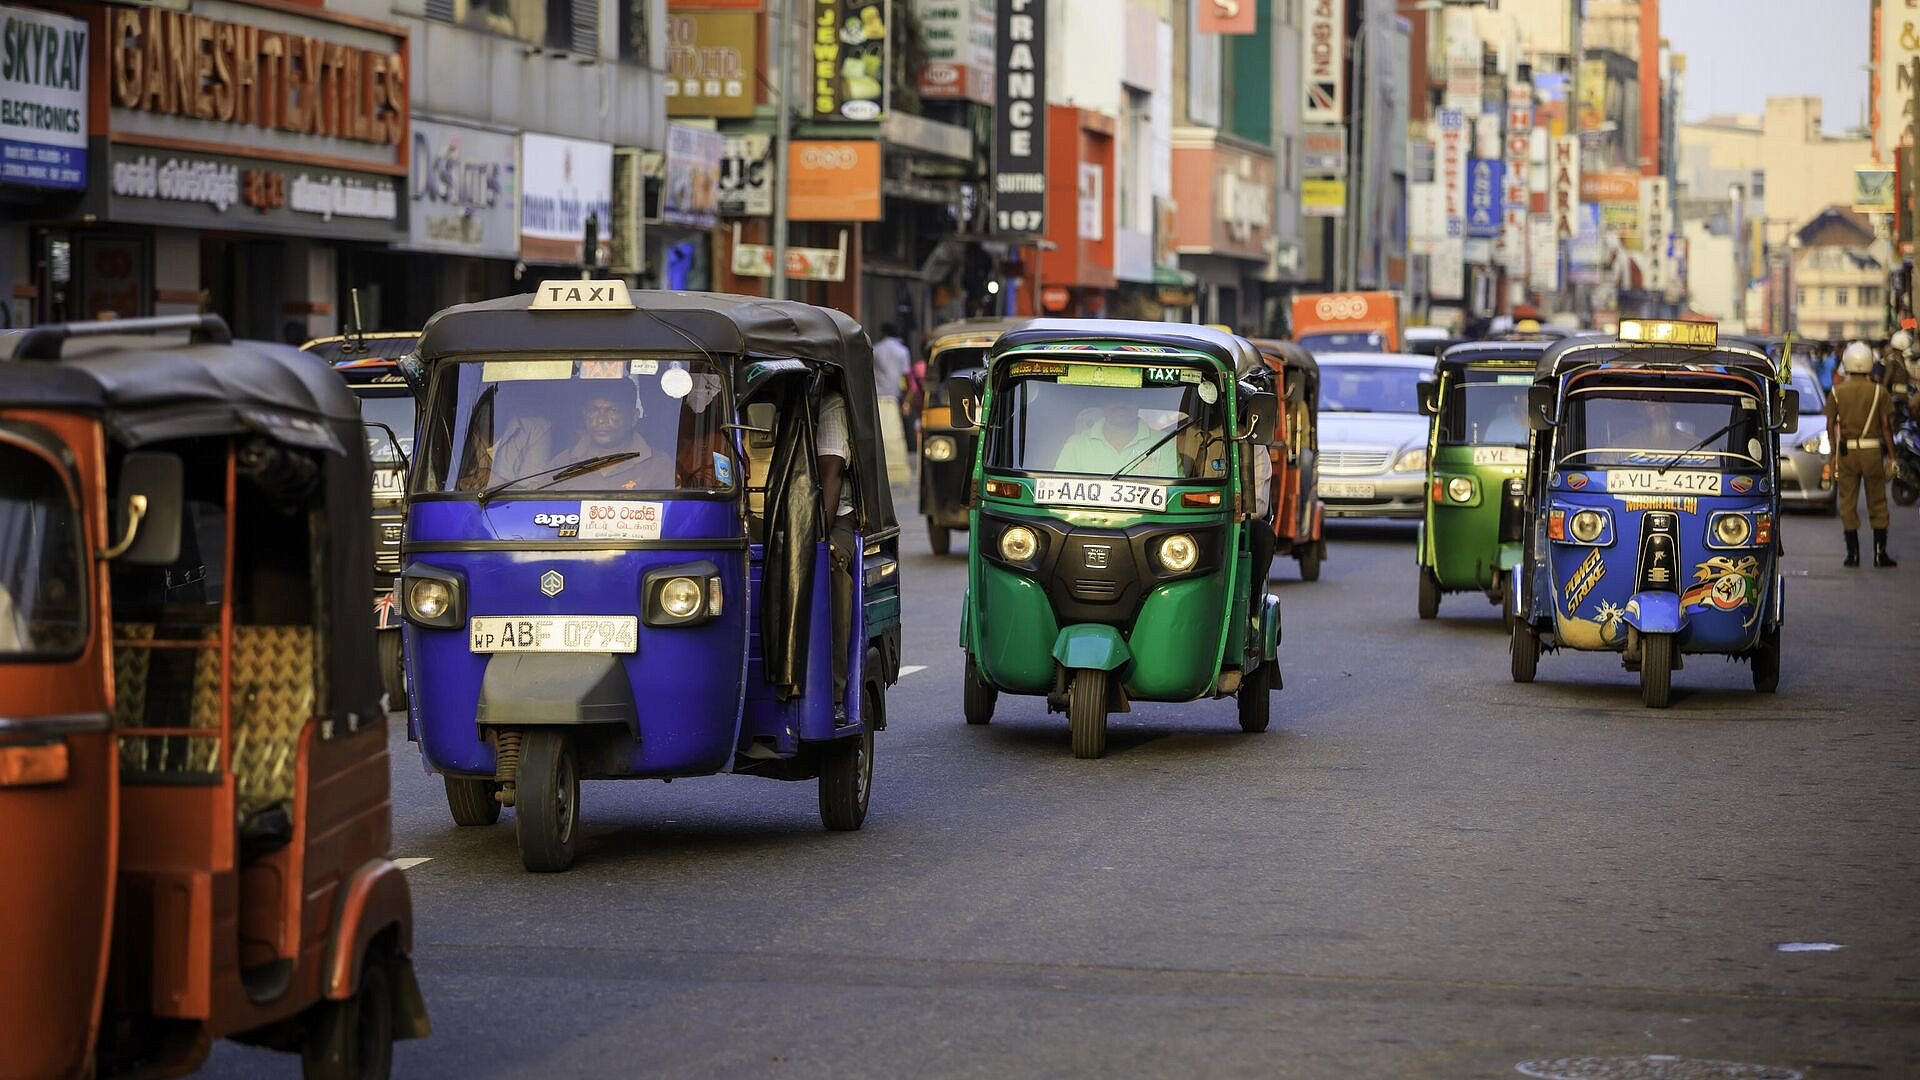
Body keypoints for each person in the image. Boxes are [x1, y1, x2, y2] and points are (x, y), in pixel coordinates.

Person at [1827, 341, 1898, 567]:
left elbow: (1830, 426)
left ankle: (1853, 555)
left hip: (1847, 453)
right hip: (1872, 452)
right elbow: (1886, 426)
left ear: (1847, 362)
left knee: (1848, 501)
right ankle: (1880, 554)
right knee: (1877, 499)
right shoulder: (1879, 391)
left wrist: (1833, 454)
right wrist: (1893, 456)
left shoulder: (1837, 392)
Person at [815, 386, 857, 718]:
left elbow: (831, 474)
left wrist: (817, 537)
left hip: (831, 518)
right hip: (762, 513)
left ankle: (833, 692)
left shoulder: (829, 403)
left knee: (825, 568)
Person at [546, 382, 674, 491]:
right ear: (585, 416)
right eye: (593, 410)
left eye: (613, 410)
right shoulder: (563, 463)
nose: (601, 419)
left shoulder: (658, 464)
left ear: (634, 417)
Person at [1052, 401, 1182, 476]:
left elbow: (1172, 493)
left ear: (1138, 402)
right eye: (1114, 397)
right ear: (1103, 403)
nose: (1121, 404)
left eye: (1129, 396)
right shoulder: (1076, 444)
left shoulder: (1163, 443)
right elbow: (1057, 489)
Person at [872, 323, 912, 482]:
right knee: (894, 437)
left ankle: (879, 471)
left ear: (883, 332)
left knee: (879, 435)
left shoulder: (875, 349)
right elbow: (906, 377)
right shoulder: (902, 351)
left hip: (877, 397)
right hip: (893, 398)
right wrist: (907, 399)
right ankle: (895, 473)